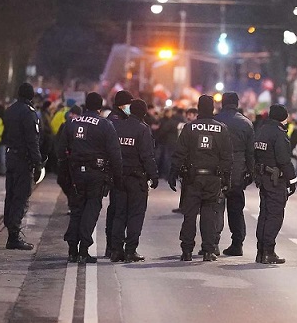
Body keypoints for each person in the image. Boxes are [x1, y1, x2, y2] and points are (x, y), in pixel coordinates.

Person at [56, 92, 123, 263]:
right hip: (96, 173)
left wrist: (65, 171)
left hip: (76, 173)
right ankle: (84, 249)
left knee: (77, 209)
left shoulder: (71, 122)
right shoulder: (105, 125)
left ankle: (72, 249)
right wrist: (117, 176)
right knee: (91, 210)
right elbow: (115, 154)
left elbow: (60, 149)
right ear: (100, 108)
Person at [169, 95, 233, 261]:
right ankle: (208, 250)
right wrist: (227, 178)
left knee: (189, 215)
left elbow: (179, 153)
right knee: (209, 214)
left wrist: (173, 174)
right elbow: (227, 157)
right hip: (213, 178)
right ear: (212, 108)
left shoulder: (189, 128)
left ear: (198, 107)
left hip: (192, 178)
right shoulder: (222, 129)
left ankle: (187, 251)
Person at [109, 99, 159, 262]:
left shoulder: (118, 126)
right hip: (136, 178)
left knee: (119, 214)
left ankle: (116, 250)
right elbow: (147, 155)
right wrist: (153, 176)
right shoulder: (142, 129)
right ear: (144, 112)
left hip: (119, 177)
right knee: (136, 214)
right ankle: (130, 250)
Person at [253, 104, 296, 264]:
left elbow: (254, 154)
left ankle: (261, 251)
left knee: (264, 214)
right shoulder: (279, 134)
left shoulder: (261, 130)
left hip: (263, 178)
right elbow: (284, 159)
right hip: (275, 179)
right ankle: (268, 252)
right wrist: (292, 180)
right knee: (275, 215)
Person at [1, 83, 42, 251]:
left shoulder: (10, 110)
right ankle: (14, 236)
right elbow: (32, 140)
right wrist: (38, 162)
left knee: (10, 194)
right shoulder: (29, 113)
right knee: (21, 196)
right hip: (22, 160)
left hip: (10, 156)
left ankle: (10, 226)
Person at [214, 92, 255, 257]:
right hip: (238, 171)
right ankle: (237, 244)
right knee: (236, 209)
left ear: (222, 103)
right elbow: (250, 152)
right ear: (237, 104)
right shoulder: (246, 123)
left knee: (215, 206)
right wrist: (250, 173)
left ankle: (213, 243)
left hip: (217, 170)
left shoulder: (214, 121)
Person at [104, 90, 133, 257]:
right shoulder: (115, 121)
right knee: (117, 209)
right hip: (116, 170)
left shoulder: (118, 119)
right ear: (122, 105)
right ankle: (113, 245)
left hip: (116, 169)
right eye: (128, 104)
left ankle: (113, 245)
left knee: (116, 208)